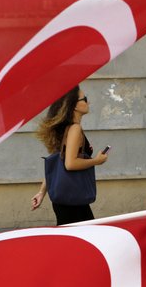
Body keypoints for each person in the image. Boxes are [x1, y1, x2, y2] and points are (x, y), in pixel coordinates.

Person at [30, 85, 108, 225]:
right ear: (75, 105)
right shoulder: (74, 129)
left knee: (81, 237)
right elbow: (70, 164)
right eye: (85, 99)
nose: (88, 102)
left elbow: (56, 164)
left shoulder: (66, 129)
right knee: (83, 239)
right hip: (72, 199)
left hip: (66, 198)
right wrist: (96, 160)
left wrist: (42, 192)